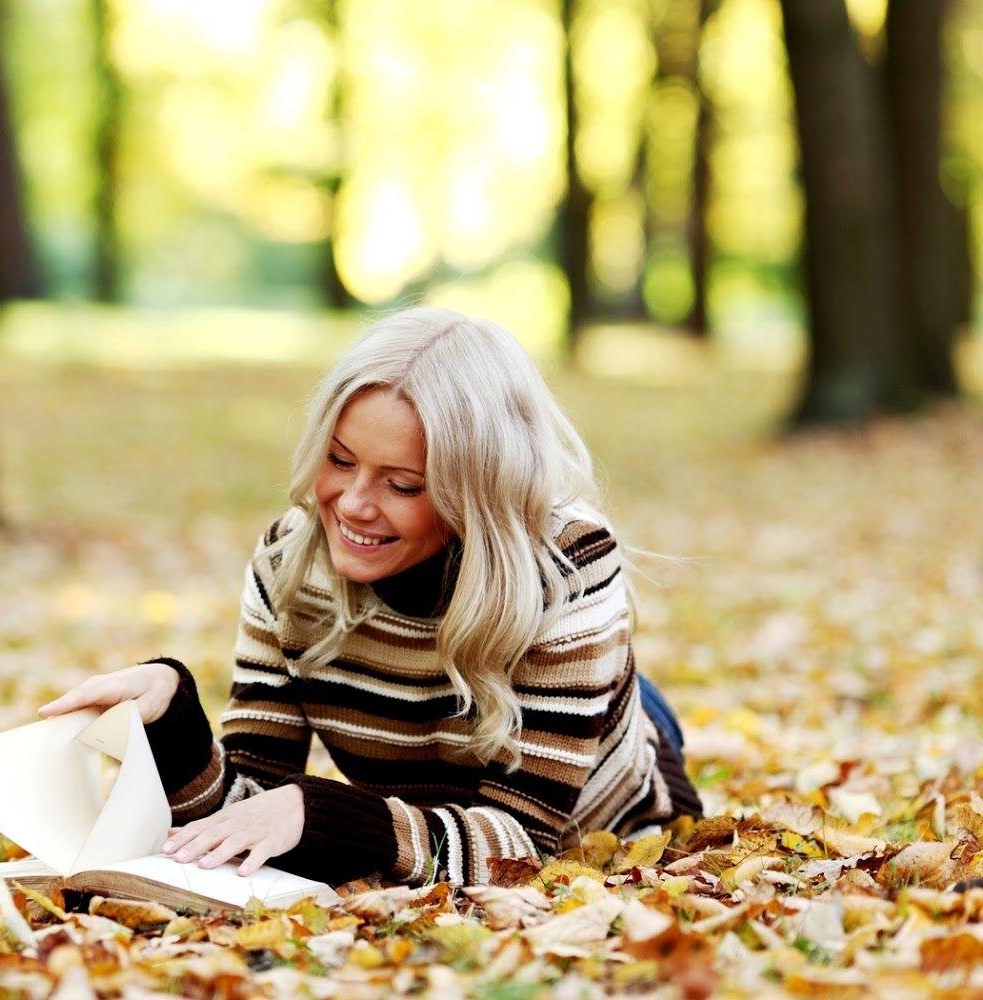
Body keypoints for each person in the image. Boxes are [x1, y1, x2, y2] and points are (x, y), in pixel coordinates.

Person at [38, 306, 704, 888]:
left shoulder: (569, 567)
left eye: (404, 485)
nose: (353, 505)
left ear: (474, 493)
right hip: (429, 781)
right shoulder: (289, 564)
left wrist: (324, 812)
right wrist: (172, 721)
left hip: (590, 770)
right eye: (339, 459)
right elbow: (250, 810)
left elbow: (525, 846)